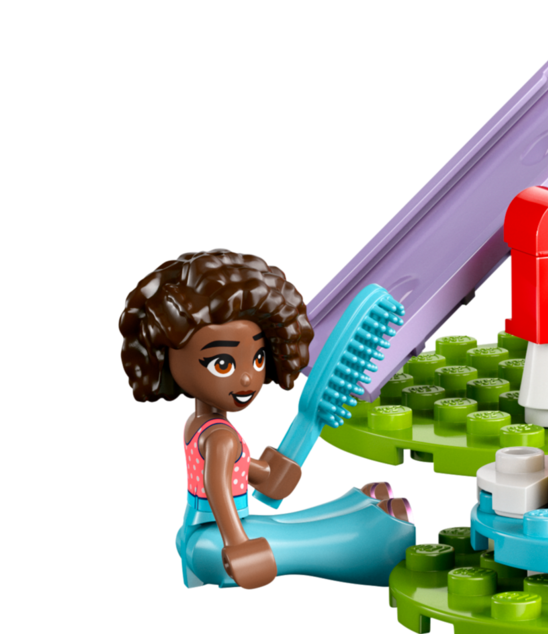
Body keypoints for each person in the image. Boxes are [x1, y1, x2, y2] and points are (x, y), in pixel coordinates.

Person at [117, 248, 417, 589]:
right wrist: (238, 545)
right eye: (222, 364)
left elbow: (241, 474)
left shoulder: (198, 425)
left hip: (197, 533)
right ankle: (371, 542)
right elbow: (217, 489)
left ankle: (350, 512)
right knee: (277, 535)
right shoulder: (220, 436)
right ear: (167, 360)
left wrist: (269, 474)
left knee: (282, 524)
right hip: (215, 546)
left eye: (258, 358)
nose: (247, 378)